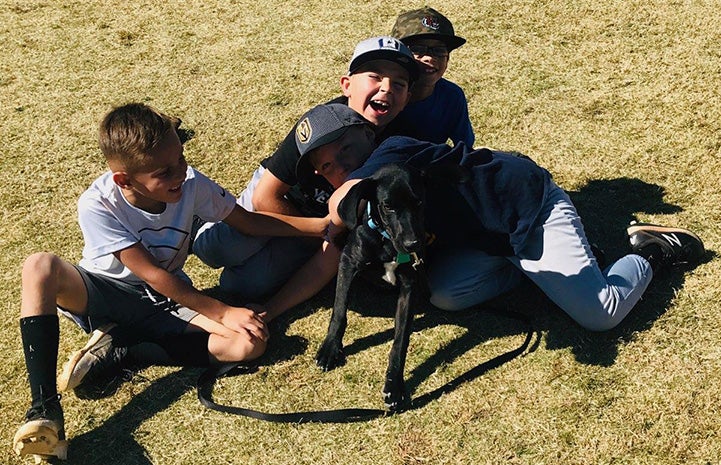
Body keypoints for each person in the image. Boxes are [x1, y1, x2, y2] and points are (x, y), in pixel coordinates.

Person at [12, 103, 328, 461]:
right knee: (39, 265)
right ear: (124, 180)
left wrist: (318, 227)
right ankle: (44, 409)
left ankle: (124, 349)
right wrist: (223, 313)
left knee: (249, 344)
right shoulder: (97, 203)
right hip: (104, 292)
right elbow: (152, 273)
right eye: (165, 171)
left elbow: (248, 222)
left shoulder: (190, 183)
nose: (181, 171)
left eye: (181, 158)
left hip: (163, 300)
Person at [324, 135, 705, 331]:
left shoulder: (392, 151)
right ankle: (544, 275)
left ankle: (653, 250)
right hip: (489, 240)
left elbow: (338, 207)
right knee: (445, 295)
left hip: (530, 210)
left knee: (600, 314)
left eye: (343, 155)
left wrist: (313, 220)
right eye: (325, 166)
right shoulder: (392, 174)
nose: (337, 166)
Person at [192, 36, 417, 299]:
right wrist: (318, 231)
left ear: (407, 98)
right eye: (374, 76)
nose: (386, 88)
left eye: (398, 83)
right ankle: (199, 223)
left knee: (242, 287)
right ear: (347, 85)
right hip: (280, 202)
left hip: (323, 228)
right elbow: (266, 197)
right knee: (215, 248)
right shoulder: (321, 121)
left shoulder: (400, 142)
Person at [390, 7, 475, 147]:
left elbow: (465, 147)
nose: (430, 58)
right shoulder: (383, 91)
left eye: (439, 51)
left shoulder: (452, 96)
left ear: (448, 59)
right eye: (417, 49)